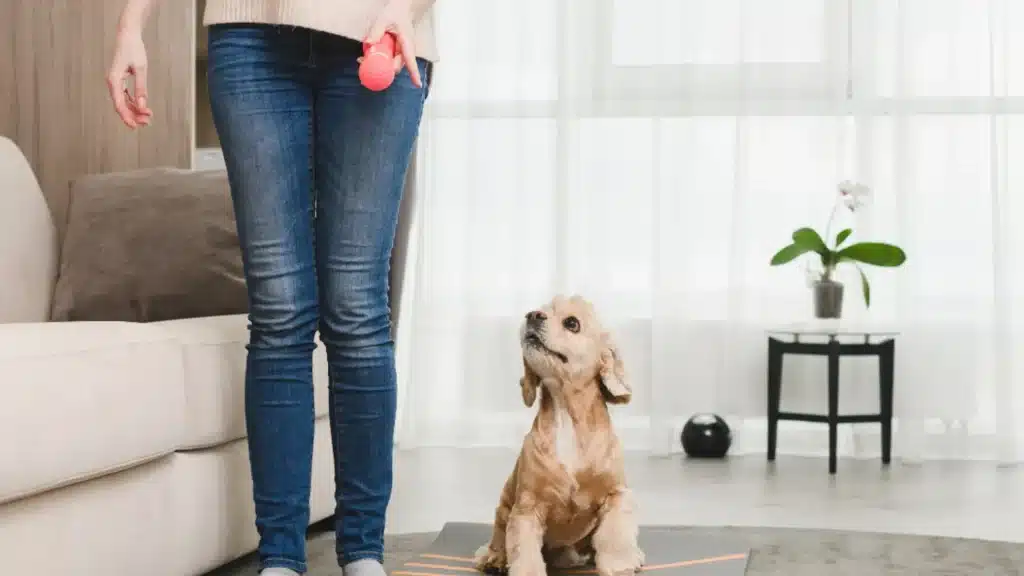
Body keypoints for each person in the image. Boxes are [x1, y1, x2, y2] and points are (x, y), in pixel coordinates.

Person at [106, 1, 437, 574]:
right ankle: (281, 555)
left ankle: (362, 550)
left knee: (356, 307)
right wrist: (130, 28)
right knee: (280, 311)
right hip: (251, 38)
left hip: (378, 31)